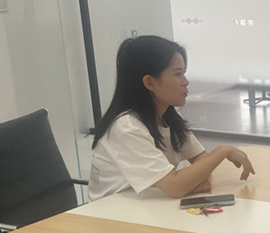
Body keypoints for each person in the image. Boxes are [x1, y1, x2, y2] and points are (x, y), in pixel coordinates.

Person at [88, 35, 255, 201]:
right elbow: (175, 186)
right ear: (149, 83)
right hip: (109, 213)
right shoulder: (127, 127)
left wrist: (190, 182)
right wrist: (223, 151)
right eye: (178, 74)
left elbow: (201, 160)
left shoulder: (169, 117)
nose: (185, 82)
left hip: (149, 208)